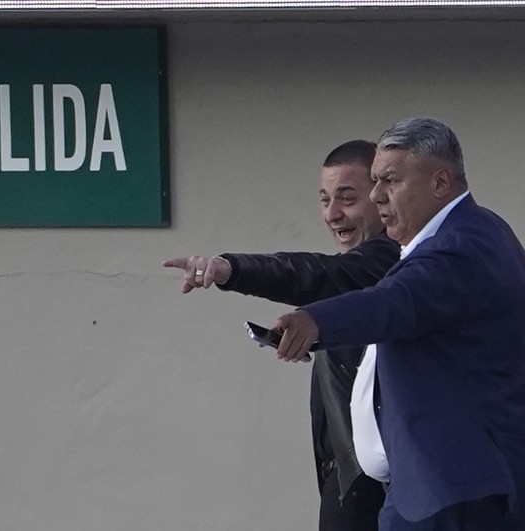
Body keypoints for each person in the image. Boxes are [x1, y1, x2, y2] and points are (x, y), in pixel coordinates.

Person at [273, 118, 525, 530]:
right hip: (442, 487)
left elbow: (393, 301)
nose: (377, 195)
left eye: (390, 180)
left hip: (453, 491)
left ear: (440, 182)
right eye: (374, 181)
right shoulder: (479, 229)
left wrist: (314, 321)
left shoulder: (459, 246)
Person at [164, 140, 401, 530]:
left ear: (381, 197)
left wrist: (230, 269)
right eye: (324, 200)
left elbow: (315, 274)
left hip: (373, 484)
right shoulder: (363, 270)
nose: (332, 214)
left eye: (347, 199)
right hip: (349, 477)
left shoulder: (390, 258)